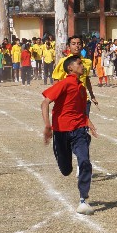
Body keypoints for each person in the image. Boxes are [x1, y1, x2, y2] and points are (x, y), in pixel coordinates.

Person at [41, 56, 98, 215]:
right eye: (79, 64)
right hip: (61, 131)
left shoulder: (81, 87)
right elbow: (45, 102)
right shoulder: (65, 83)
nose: (82, 66)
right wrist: (47, 125)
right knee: (66, 169)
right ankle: (65, 164)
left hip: (79, 130)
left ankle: (83, 199)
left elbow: (80, 111)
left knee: (84, 161)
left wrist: (89, 124)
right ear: (70, 69)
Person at [52, 36, 98, 113]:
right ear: (68, 46)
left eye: (79, 44)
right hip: (68, 100)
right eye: (73, 44)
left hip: (83, 100)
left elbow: (86, 79)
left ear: (82, 46)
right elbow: (56, 80)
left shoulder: (87, 62)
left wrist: (92, 95)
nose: (77, 46)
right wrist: (56, 98)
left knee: (84, 123)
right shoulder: (64, 62)